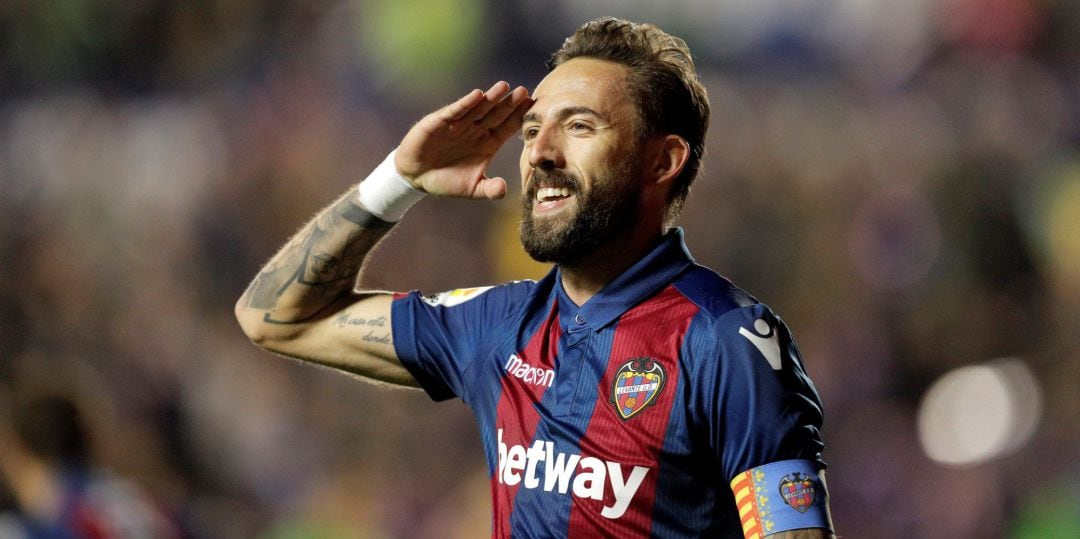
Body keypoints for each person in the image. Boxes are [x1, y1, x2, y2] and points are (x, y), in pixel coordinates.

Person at [236, 17, 835, 538]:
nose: (540, 152)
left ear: (663, 160)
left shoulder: (728, 341)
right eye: (530, 130)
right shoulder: (496, 325)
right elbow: (274, 317)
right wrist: (398, 180)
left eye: (579, 127)